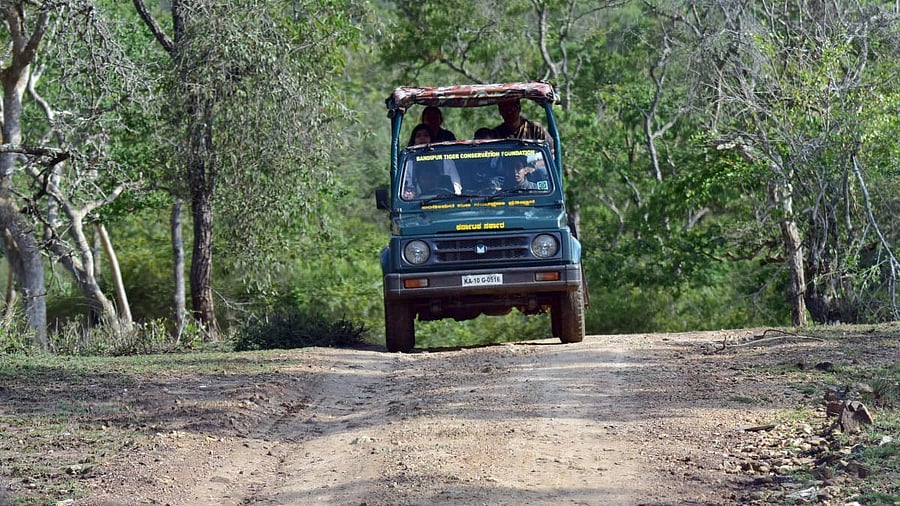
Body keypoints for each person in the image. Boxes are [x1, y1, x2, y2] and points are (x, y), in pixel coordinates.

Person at [404, 124, 462, 195]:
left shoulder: (446, 161)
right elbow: (407, 188)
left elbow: (456, 186)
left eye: (426, 135)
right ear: (414, 141)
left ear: (432, 139)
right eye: (418, 136)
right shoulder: (408, 163)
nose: (422, 138)